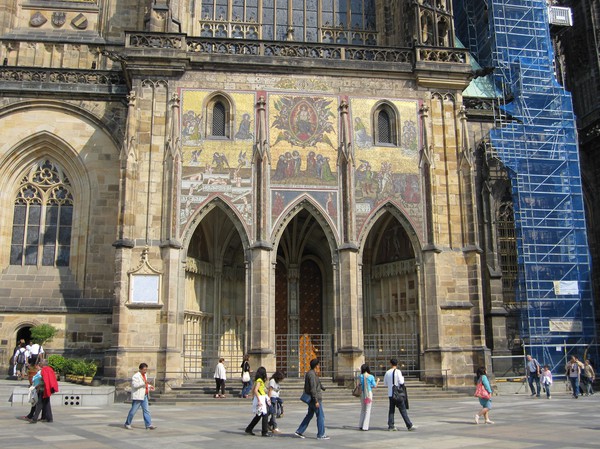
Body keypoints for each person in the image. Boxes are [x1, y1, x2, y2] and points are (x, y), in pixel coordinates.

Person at [295, 358, 329, 440]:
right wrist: (316, 401)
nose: (319, 366)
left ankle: (299, 431)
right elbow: (313, 388)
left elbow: (317, 384)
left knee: (309, 415)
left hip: (313, 399)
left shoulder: (312, 373)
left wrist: (323, 388)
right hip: (314, 399)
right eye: (318, 365)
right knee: (320, 416)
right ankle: (321, 434)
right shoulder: (312, 374)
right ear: (316, 365)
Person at [383, 358, 415, 431]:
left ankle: (391, 425)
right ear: (397, 364)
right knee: (403, 410)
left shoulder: (387, 372)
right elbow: (401, 382)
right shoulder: (398, 372)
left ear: (390, 364)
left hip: (391, 394)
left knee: (391, 410)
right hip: (398, 394)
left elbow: (385, 383)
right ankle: (409, 425)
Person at [124, 363, 156, 430]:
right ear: (140, 369)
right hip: (138, 396)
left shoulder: (145, 375)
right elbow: (135, 385)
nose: (145, 371)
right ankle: (127, 423)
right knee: (133, 411)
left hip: (144, 395)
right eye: (144, 369)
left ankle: (148, 424)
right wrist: (144, 383)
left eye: (146, 369)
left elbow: (145, 384)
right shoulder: (135, 376)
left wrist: (149, 386)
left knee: (146, 411)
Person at [245, 366, 271, 437]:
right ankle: (264, 432)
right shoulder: (259, 380)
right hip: (260, 398)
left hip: (260, 397)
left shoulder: (258, 380)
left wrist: (253, 397)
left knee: (258, 415)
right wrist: (259, 400)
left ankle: (249, 428)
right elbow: (256, 390)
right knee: (265, 415)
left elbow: (253, 389)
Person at [358, 363, 379, 431]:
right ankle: (365, 426)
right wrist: (378, 381)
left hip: (362, 394)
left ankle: (360, 425)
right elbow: (375, 386)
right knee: (368, 410)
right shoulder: (371, 376)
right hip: (368, 395)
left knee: (363, 409)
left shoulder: (360, 376)